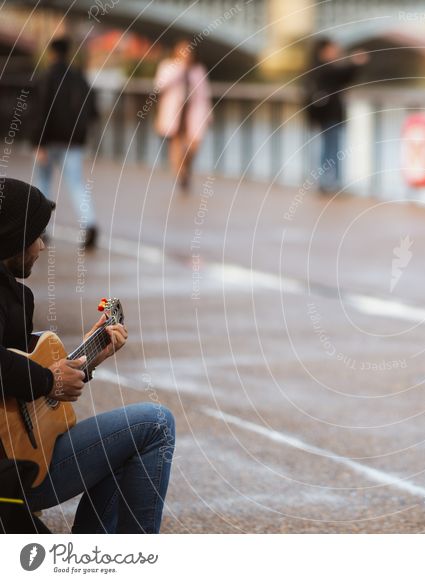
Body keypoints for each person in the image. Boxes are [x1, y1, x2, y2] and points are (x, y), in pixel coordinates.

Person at [0, 178, 175, 533]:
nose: (41, 247)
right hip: (12, 471)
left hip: (22, 454)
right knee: (156, 425)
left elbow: (26, 389)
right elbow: (32, 376)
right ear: (13, 238)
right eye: (36, 236)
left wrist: (86, 361)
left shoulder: (18, 296)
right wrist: (50, 379)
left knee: (128, 443)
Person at [32, 37, 99, 249]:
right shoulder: (79, 76)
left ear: (52, 53)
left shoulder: (47, 76)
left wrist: (38, 142)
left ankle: (41, 229)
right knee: (76, 183)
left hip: (50, 139)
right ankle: (89, 224)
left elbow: (40, 110)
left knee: (43, 183)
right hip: (74, 141)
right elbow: (93, 110)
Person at [305, 38, 368, 194]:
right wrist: (356, 63)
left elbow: (343, 77)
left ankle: (328, 181)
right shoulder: (325, 68)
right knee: (333, 148)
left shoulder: (315, 68)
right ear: (324, 50)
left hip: (324, 115)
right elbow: (344, 75)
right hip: (330, 115)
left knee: (329, 147)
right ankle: (332, 181)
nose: (336, 52)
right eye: (333, 49)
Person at [154, 39, 212, 194]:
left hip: (193, 112)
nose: (186, 55)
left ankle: (185, 168)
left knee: (194, 144)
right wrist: (180, 69)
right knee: (176, 144)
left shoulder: (198, 70)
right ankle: (181, 174)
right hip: (175, 112)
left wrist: (209, 113)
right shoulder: (168, 67)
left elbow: (204, 93)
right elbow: (160, 85)